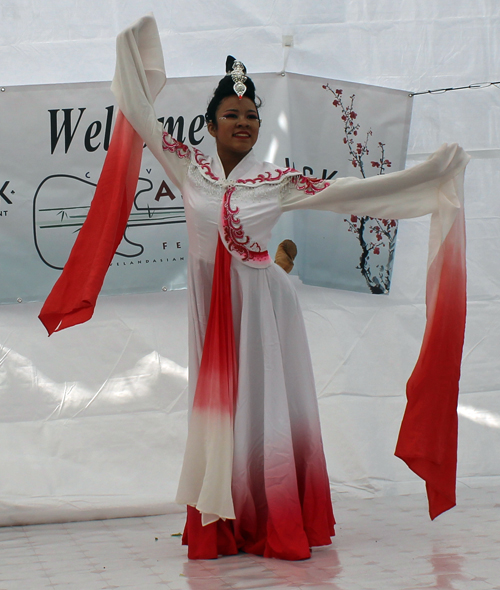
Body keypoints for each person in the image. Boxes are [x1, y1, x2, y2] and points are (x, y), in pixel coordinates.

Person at [39, 15, 469, 561]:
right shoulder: (188, 167)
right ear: (211, 125)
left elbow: (354, 192)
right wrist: (136, 52)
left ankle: (275, 517)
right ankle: (222, 519)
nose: (242, 122)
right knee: (221, 411)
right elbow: (140, 116)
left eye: (250, 115)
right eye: (231, 115)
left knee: (266, 412)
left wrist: (429, 179)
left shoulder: (275, 181)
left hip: (265, 312)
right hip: (211, 312)